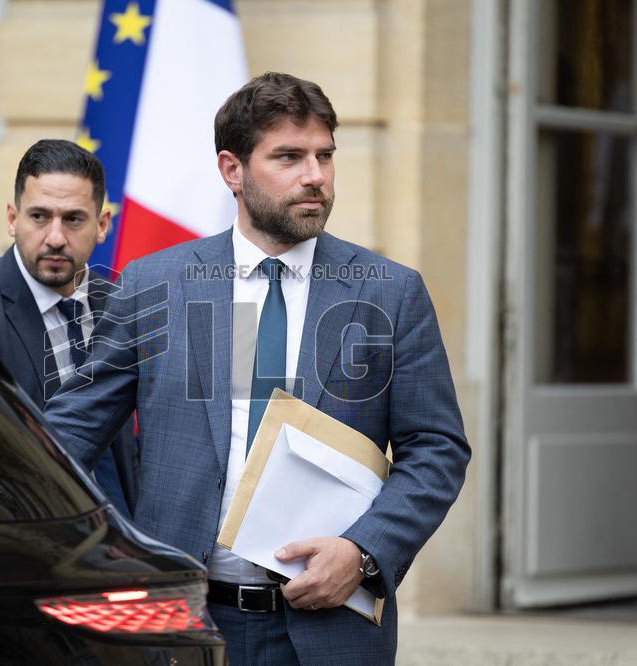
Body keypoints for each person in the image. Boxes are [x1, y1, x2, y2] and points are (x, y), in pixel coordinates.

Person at [43, 73, 470, 665]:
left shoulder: (391, 293)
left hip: (333, 632)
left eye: (324, 156)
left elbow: (438, 449)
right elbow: (70, 432)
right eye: (289, 157)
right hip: (184, 626)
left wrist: (363, 552)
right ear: (232, 170)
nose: (315, 176)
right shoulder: (153, 283)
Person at [0, 139, 139, 519]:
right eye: (40, 217)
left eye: (73, 219)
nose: (56, 237)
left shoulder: (120, 304)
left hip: (129, 544)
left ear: (102, 225)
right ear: (13, 219)